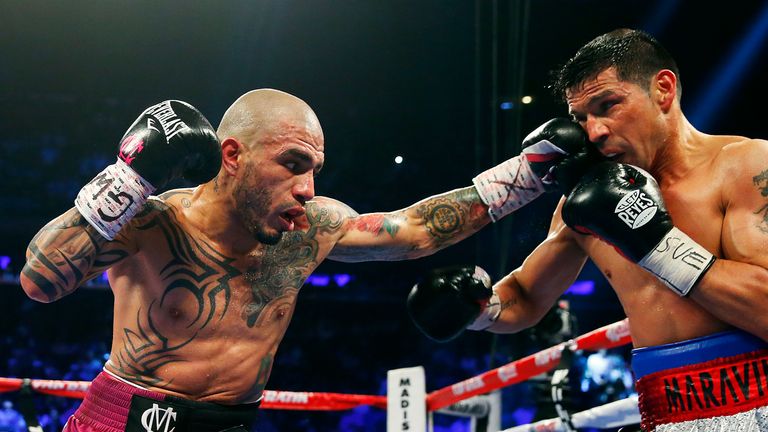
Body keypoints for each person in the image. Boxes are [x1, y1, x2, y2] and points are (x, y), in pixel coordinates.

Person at [20, 89, 588, 431]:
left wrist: (529, 174)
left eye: (314, 169)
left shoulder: (310, 228)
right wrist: (126, 179)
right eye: (292, 164)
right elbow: (40, 280)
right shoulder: (152, 221)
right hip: (124, 419)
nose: (308, 188)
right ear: (232, 155)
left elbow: (415, 231)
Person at [408, 29, 768, 431]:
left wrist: (657, 244)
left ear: (663, 89)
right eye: (581, 118)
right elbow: (525, 296)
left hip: (757, 400)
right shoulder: (585, 202)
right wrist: (476, 307)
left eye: (608, 105)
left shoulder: (743, 165)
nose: (594, 132)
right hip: (663, 410)